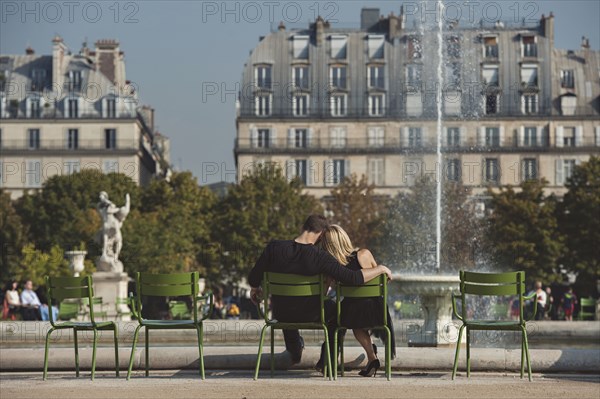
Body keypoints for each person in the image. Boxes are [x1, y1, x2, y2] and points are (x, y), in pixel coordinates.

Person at [248, 215, 392, 368]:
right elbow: (353, 278)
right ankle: (327, 362)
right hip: (311, 313)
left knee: (287, 303)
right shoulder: (321, 257)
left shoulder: (274, 247)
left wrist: (256, 289)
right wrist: (381, 268)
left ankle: (295, 350)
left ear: (303, 227)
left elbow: (253, 278)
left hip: (280, 313)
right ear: (322, 234)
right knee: (338, 312)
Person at [319, 224, 396, 377]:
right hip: (377, 309)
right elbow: (382, 281)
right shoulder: (364, 254)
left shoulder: (333, 266)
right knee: (358, 317)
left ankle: (333, 360)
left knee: (343, 319)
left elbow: (323, 293)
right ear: (344, 238)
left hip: (350, 314)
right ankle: (372, 358)